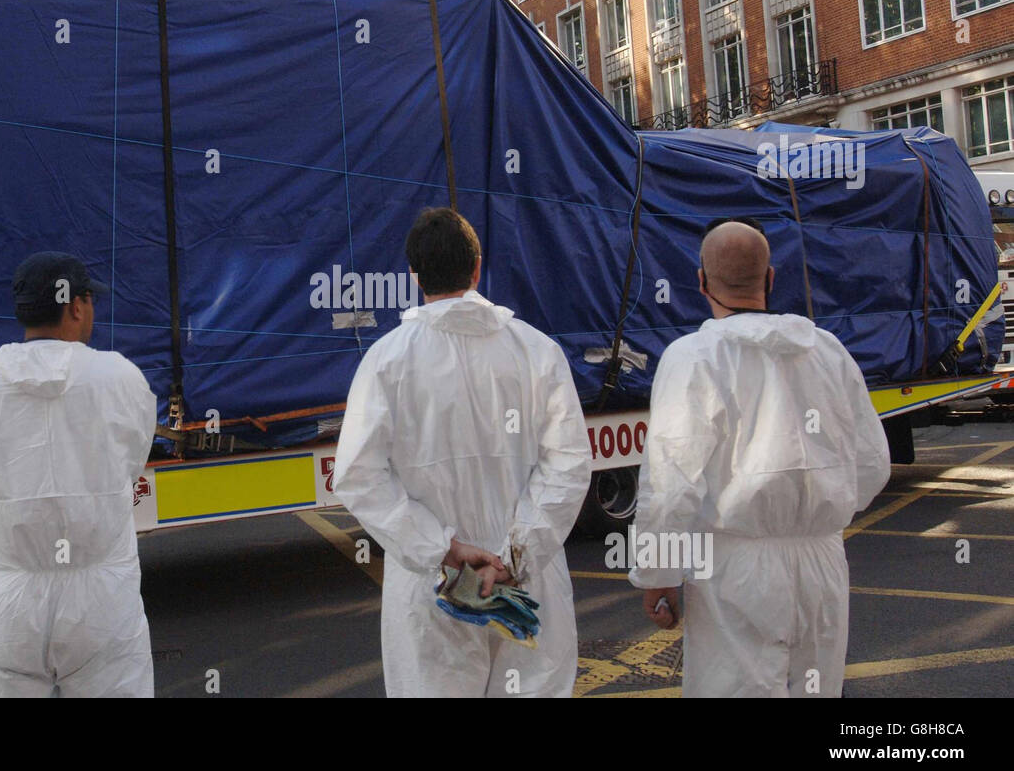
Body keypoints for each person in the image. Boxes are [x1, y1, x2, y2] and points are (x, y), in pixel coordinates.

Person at [333, 207, 592, 697]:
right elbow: (569, 465)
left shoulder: (386, 361)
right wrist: (515, 554)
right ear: (477, 267)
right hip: (526, 589)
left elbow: (359, 477)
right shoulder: (538, 353)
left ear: (413, 276)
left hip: (437, 590)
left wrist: (445, 550)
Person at [630, 218, 891, 697]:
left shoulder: (694, 357)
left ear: (701, 281)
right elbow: (873, 462)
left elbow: (671, 481)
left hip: (735, 563)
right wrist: (816, 511)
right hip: (821, 558)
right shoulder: (827, 351)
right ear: (771, 278)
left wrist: (659, 575)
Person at [0, 251, 157, 697]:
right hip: (101, 602)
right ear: (76, 305)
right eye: (90, 300)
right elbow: (132, 464)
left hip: (8, 604)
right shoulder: (122, 378)